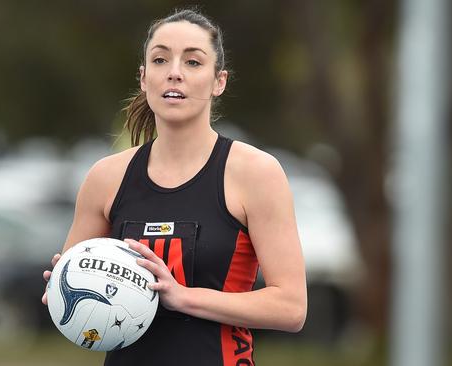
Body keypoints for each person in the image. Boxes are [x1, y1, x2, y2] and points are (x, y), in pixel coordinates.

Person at [42, 8, 307, 365]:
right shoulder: (106, 177)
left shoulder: (255, 173)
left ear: (219, 81)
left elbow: (291, 307)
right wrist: (65, 286)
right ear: (143, 78)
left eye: (193, 62)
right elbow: (75, 302)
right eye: (160, 59)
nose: (174, 73)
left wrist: (183, 297)